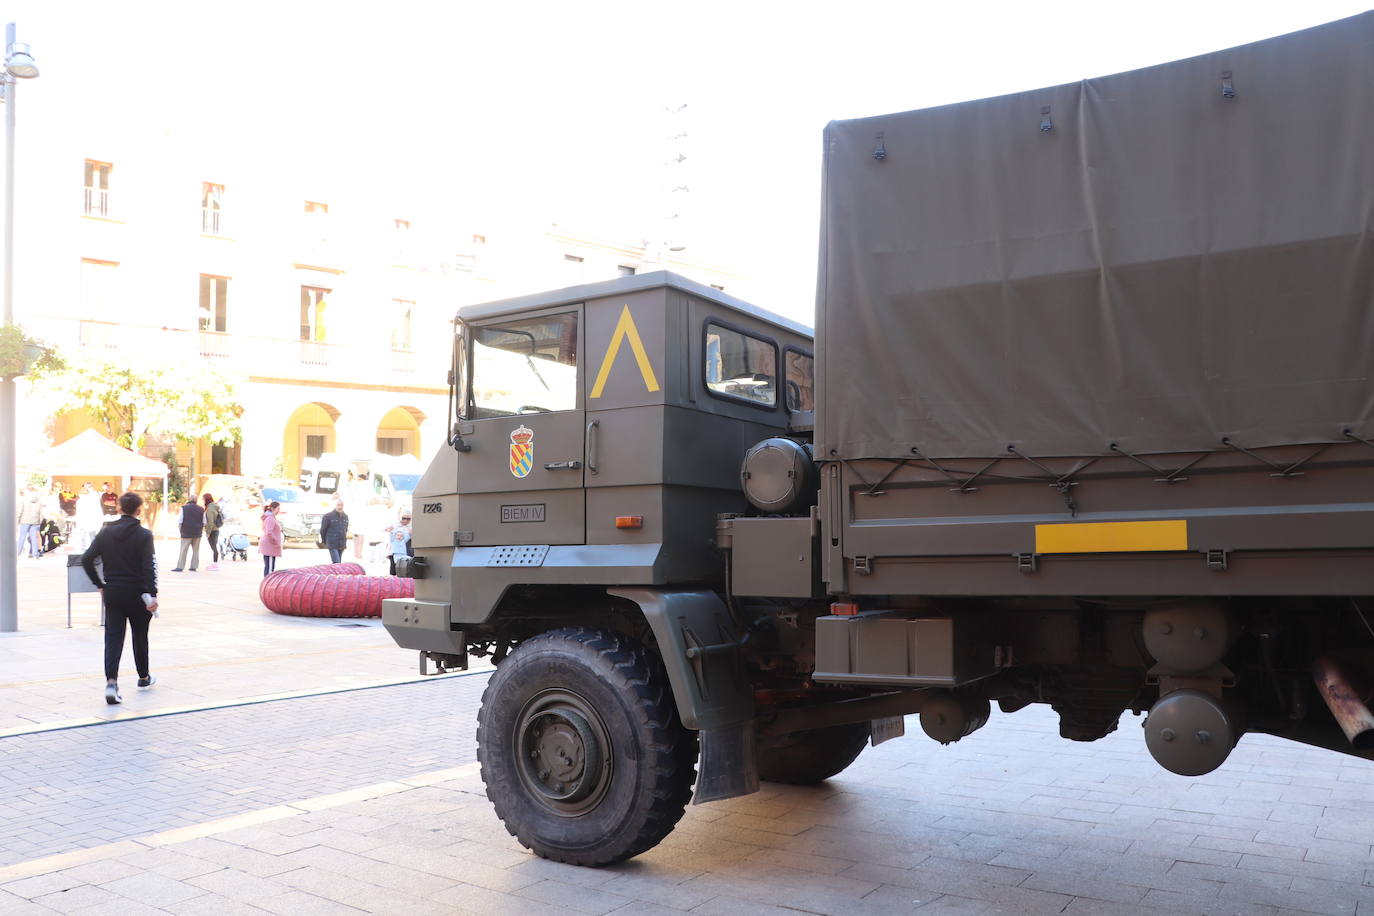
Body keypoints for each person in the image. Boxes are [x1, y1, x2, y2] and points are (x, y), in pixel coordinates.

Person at [81, 491, 158, 705]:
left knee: (113, 638)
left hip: (113, 591)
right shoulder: (144, 535)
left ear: (119, 508)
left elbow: (87, 559)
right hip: (137, 592)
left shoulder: (106, 532)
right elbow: (149, 567)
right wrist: (152, 595)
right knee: (140, 636)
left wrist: (100, 584)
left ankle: (112, 683)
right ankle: (143, 678)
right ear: (139, 510)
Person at [172, 496, 204, 572]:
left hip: (186, 532)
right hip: (197, 532)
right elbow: (204, 521)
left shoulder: (184, 508)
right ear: (196, 500)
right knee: (196, 551)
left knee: (183, 550)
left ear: (189, 499)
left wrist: (181, 530)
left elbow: (180, 520)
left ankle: (180, 567)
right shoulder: (201, 509)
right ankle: (194, 566)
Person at [15, 484, 43, 559]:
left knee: (22, 537)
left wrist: (17, 522)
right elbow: (41, 512)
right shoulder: (39, 499)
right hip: (35, 521)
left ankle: (18, 553)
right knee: (33, 538)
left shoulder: (24, 499)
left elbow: (19, 511)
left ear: (27, 490)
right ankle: (35, 554)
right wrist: (40, 521)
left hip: (25, 520)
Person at [75, 483, 104, 552]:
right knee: (83, 536)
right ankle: (83, 551)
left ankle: (93, 551)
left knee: (92, 536)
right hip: (84, 520)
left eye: (89, 487)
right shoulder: (80, 500)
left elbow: (97, 508)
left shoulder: (94, 496)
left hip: (92, 520)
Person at [320, 499, 348, 564]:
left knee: (338, 563)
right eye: (338, 505)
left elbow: (345, 530)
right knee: (337, 562)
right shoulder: (327, 516)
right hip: (332, 543)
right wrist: (325, 541)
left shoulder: (345, 516)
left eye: (341, 505)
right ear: (335, 505)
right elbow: (323, 530)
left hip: (342, 543)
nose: (340, 507)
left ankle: (334, 573)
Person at [260, 500, 283, 576]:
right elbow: (269, 532)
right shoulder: (270, 518)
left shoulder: (271, 517)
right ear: (273, 509)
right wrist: (275, 541)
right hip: (270, 546)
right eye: (278, 509)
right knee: (270, 569)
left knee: (269, 567)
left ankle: (267, 584)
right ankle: (267, 585)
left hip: (270, 546)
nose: (279, 511)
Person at [202, 493, 222, 570]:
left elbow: (210, 522)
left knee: (214, 548)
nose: (203, 500)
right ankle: (215, 563)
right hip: (216, 529)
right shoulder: (214, 506)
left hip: (212, 530)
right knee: (214, 547)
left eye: (203, 498)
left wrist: (208, 532)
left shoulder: (210, 508)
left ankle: (215, 564)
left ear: (206, 499)